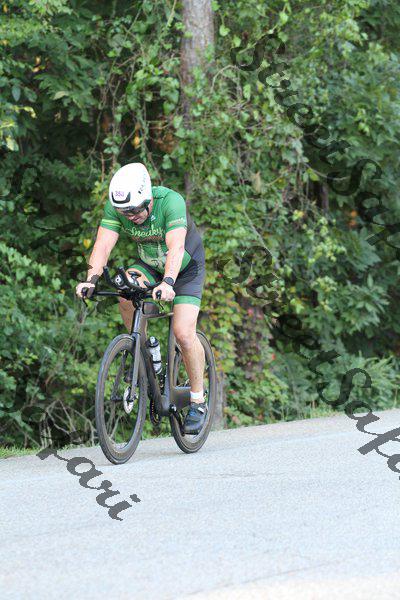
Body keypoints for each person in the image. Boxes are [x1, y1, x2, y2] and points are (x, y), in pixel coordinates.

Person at [75, 163, 207, 434]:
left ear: (148, 200)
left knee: (183, 333)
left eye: (135, 210)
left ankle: (198, 400)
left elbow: (176, 247)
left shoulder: (170, 202)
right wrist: (90, 280)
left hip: (185, 268)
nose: (131, 217)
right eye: (125, 213)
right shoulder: (119, 208)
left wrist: (168, 282)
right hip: (149, 265)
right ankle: (143, 352)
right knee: (125, 293)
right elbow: (103, 245)